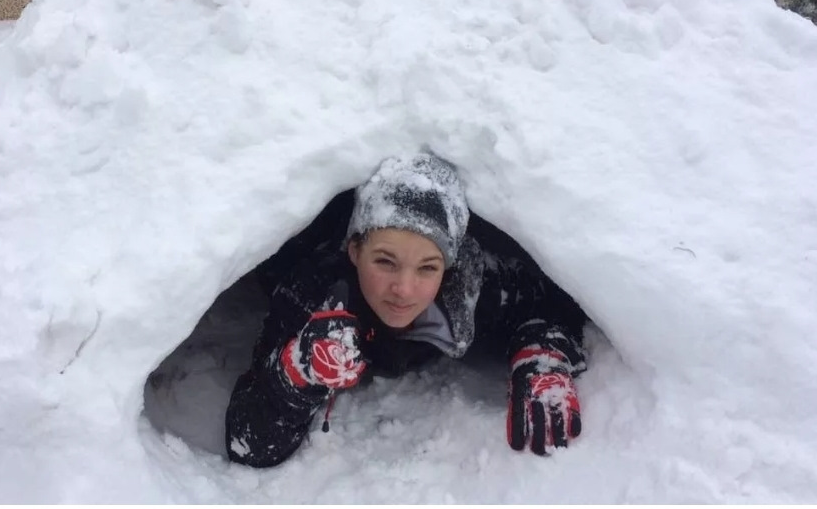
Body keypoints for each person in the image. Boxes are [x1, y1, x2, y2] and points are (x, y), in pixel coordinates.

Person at [225, 153, 589, 467]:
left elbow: (555, 302)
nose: (404, 288)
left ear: (448, 266)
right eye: (385, 261)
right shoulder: (313, 294)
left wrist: (542, 354)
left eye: (427, 267)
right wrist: (296, 370)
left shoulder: (470, 287)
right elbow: (248, 442)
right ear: (354, 251)